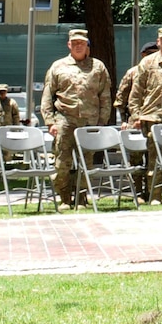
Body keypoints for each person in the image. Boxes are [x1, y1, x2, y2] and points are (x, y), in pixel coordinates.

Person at [41, 28, 113, 209]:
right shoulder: (58, 67)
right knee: (62, 163)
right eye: (74, 43)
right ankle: (64, 198)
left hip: (90, 123)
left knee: (86, 162)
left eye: (82, 43)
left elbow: (105, 95)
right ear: (69, 45)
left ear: (87, 45)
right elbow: (48, 96)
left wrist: (102, 121)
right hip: (65, 120)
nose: (78, 46)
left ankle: (81, 198)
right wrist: (50, 122)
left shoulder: (98, 67)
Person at [127, 29, 162, 201]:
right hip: (152, 117)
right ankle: (155, 195)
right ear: (158, 42)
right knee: (154, 160)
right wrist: (136, 116)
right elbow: (136, 92)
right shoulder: (147, 63)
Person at [114, 41, 159, 126]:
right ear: (143, 55)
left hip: (157, 118)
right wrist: (124, 121)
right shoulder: (133, 72)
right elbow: (121, 98)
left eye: (156, 53)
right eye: (149, 53)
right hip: (136, 120)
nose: (152, 56)